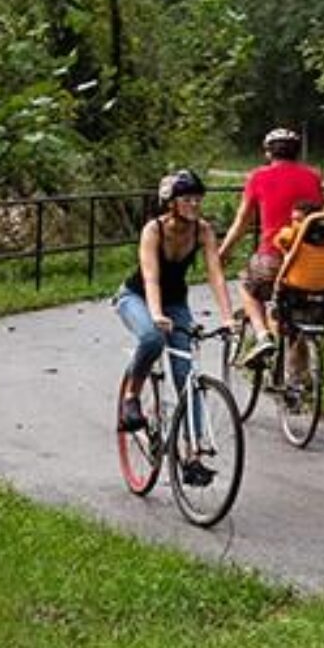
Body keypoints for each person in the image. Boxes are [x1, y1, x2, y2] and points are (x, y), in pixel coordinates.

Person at [114, 169, 240, 479]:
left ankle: (192, 455)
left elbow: (215, 274)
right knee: (152, 339)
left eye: (198, 199)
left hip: (175, 303)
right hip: (136, 297)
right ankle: (132, 398)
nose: (194, 205)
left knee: (188, 377)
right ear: (171, 203)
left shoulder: (203, 231)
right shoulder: (153, 230)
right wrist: (156, 315)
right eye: (187, 199)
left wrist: (227, 317)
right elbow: (150, 277)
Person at [218, 127, 324, 369]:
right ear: (297, 153)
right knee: (299, 308)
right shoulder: (313, 177)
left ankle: (262, 335)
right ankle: (299, 379)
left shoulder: (259, 177)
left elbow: (242, 222)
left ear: (268, 153)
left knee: (248, 285)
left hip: (273, 259)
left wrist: (223, 252)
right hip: (311, 262)